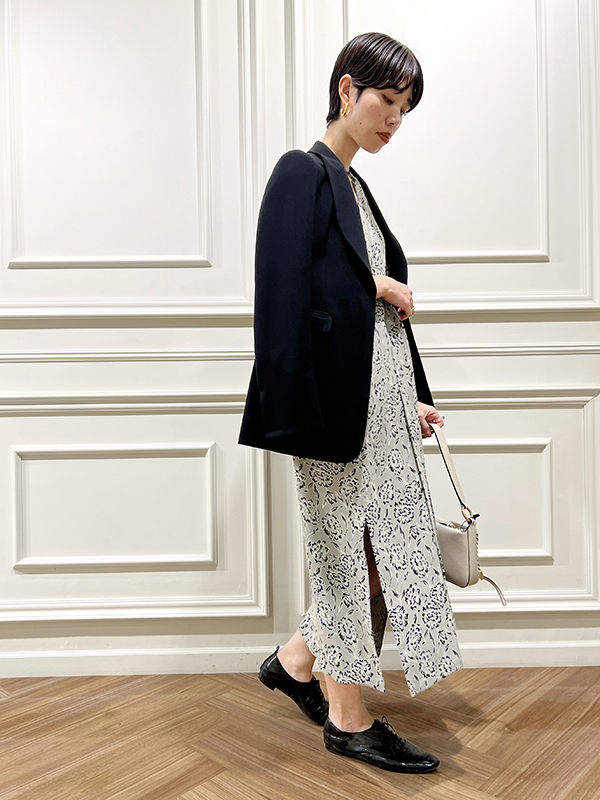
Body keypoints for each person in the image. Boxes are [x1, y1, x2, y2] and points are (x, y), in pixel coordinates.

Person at [239, 31, 463, 773]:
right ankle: (348, 718)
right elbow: (282, 289)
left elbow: (376, 315)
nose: (394, 119)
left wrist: (413, 395)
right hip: (332, 407)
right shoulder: (300, 172)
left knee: (383, 548)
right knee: (348, 550)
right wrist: (294, 411)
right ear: (346, 90)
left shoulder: (356, 187)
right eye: (386, 101)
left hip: (381, 402)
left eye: (405, 108)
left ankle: (296, 662)